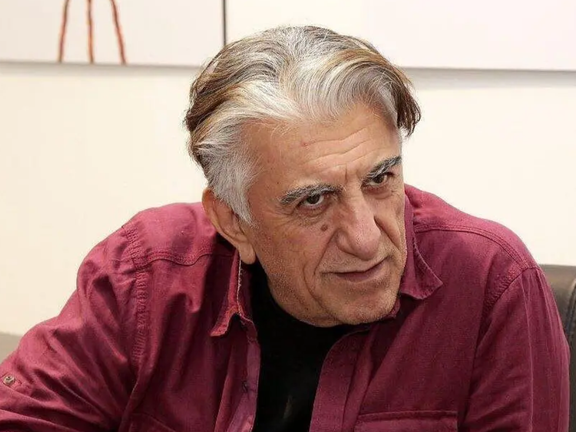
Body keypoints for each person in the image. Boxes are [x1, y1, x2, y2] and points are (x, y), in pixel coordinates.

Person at [0, 26, 569, 432]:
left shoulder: (492, 284)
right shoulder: (144, 274)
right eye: (313, 200)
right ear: (233, 221)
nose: (366, 238)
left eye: (380, 179)